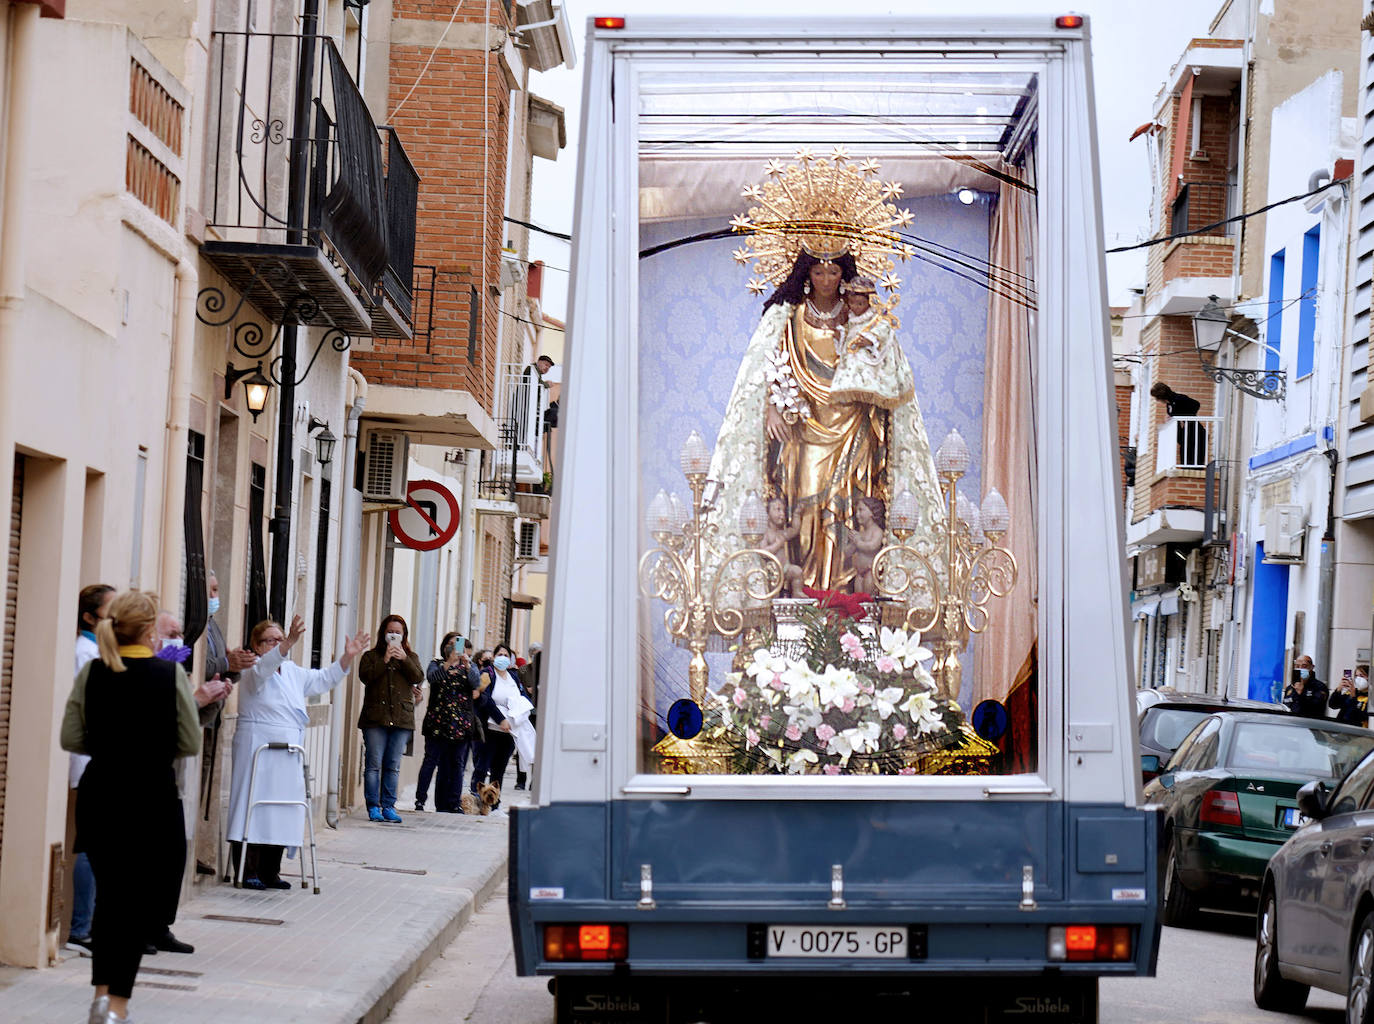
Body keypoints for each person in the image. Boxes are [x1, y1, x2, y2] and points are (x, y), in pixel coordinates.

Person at [704, 249, 943, 595]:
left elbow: (885, 370)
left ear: (844, 275)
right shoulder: (790, 318)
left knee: (851, 500)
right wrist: (772, 407)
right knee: (807, 498)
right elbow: (769, 367)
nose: (827, 281)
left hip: (853, 422)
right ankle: (807, 587)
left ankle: (847, 591)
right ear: (806, 273)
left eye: (833, 273)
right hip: (805, 425)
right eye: (819, 273)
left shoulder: (861, 318)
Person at [61, 590, 201, 1024]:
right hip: (150, 800)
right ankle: (116, 1005)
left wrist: (108, 746)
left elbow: (71, 737)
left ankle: (101, 995)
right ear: (147, 630)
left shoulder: (94, 673)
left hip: (101, 795)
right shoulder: (168, 675)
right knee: (136, 907)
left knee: (109, 903)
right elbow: (190, 741)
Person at [227, 615, 368, 888]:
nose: (278, 644)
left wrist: (347, 658)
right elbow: (264, 671)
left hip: (288, 751)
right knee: (252, 807)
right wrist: (290, 641)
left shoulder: (291, 671)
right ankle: (248, 871)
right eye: (271, 640)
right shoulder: (252, 669)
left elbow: (323, 679)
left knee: (281, 808)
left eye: (280, 639)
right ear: (256, 646)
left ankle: (271, 871)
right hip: (258, 746)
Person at [66, 584, 115, 957]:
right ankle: (81, 928)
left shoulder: (100, 651)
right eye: (109, 611)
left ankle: (90, 925)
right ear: (89, 616)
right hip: (92, 762)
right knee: (92, 844)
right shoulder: (85, 654)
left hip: (101, 761)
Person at [357, 615, 425, 823]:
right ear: (383, 633)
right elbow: (365, 677)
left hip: (401, 719)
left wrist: (403, 658)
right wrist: (385, 660)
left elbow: (418, 677)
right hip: (375, 719)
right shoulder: (371, 656)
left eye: (398, 632)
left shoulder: (410, 656)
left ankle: (388, 805)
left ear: (404, 635)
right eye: (390, 631)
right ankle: (373, 806)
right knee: (374, 763)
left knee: (393, 764)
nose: (394, 635)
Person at [416, 632, 480, 812]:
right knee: (430, 761)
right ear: (444, 647)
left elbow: (475, 684)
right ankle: (420, 800)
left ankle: (454, 803)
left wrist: (467, 666)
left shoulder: (469, 666)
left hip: (460, 724)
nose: (453, 648)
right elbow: (432, 679)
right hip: (437, 722)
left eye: (456, 644)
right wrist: (448, 663)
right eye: (450, 644)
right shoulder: (436, 664)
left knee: (457, 764)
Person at [831, 277, 913, 410]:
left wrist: (871, 339)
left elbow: (884, 331)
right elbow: (847, 335)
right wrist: (840, 335)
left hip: (870, 364)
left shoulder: (876, 318)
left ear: (870, 303)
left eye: (860, 304)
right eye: (852, 303)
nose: (855, 307)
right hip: (850, 363)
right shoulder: (852, 318)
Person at [470, 642, 528, 814]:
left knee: (499, 769)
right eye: (499, 654)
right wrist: (500, 719)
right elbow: (485, 700)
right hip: (490, 729)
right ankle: (475, 801)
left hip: (508, 732)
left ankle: (494, 805)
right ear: (494, 657)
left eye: (506, 655)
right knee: (482, 767)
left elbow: (522, 696)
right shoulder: (487, 674)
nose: (503, 658)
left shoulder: (513, 677)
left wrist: (521, 712)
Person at [1149, 381, 1206, 467]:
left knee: (1193, 459)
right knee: (1185, 459)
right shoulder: (1169, 404)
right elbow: (1173, 414)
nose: (1157, 400)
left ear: (1162, 397)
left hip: (1194, 432)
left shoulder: (1179, 398)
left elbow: (1196, 404)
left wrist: (1182, 417)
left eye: (1157, 398)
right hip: (1184, 434)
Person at [842, 496, 886, 594]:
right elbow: (847, 553)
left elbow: (872, 546)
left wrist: (858, 542)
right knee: (858, 597)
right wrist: (853, 543)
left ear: (872, 512)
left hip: (870, 571)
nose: (857, 515)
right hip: (859, 573)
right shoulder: (861, 533)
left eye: (861, 510)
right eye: (857, 511)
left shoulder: (877, 531)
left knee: (867, 596)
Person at [1283, 654, 1330, 719]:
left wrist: (1301, 693)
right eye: (1297, 666)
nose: (1300, 669)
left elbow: (1316, 709)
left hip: (1310, 725)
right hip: (1291, 724)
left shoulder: (1320, 687)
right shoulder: (1290, 688)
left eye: (1304, 666)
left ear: (1312, 667)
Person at [537, 354, 562, 473]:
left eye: (549, 367)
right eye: (545, 365)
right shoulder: (532, 371)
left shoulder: (554, 408)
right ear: (539, 362)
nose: (547, 368)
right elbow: (536, 384)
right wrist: (546, 384)